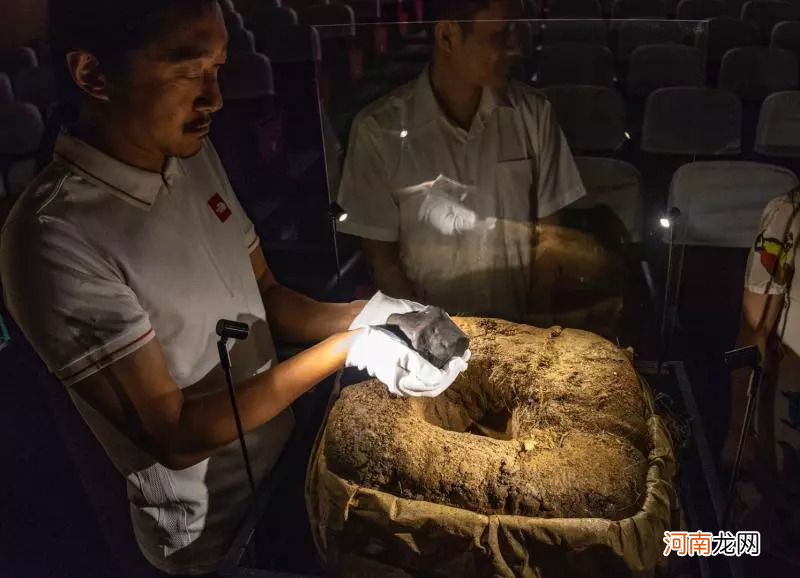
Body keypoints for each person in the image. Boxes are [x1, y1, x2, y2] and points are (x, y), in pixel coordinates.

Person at [0, 1, 468, 575]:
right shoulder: (54, 238)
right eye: (186, 71)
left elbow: (267, 296)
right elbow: (174, 433)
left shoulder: (190, 156)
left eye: (218, 67)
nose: (215, 97)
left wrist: (374, 312)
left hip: (290, 460)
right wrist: (353, 347)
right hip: (219, 532)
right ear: (92, 75)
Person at [336, 0, 586, 322]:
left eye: (516, 32)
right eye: (500, 36)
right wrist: (431, 339)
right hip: (428, 349)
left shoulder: (534, 116)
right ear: (447, 36)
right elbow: (383, 262)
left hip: (520, 331)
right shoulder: (377, 131)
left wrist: (531, 331)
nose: (516, 49)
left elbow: (550, 241)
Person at [722, 190, 800, 565]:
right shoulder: (790, 216)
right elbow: (755, 330)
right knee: (757, 540)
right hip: (789, 410)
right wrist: (739, 432)